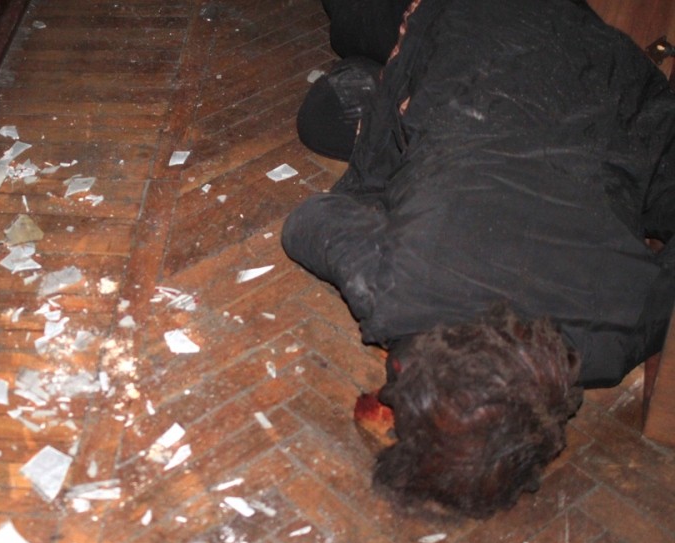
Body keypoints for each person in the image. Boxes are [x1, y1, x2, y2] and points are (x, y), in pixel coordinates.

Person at [283, 0, 675, 517]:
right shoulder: (399, 287)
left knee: (330, 109)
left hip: (592, 65)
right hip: (480, 24)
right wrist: (398, 222)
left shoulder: (613, 341)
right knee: (347, 34)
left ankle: (389, 82)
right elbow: (310, 220)